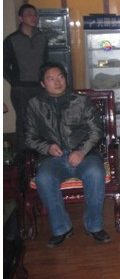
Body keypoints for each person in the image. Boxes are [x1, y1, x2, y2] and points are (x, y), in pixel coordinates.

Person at [24, 62, 109, 248]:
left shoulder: (81, 101)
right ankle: (61, 228)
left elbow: (96, 130)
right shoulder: (34, 105)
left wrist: (82, 151)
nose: (57, 82)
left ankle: (94, 225)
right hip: (52, 158)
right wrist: (47, 147)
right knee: (44, 178)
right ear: (43, 83)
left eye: (60, 77)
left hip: (85, 155)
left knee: (96, 173)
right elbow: (29, 137)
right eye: (51, 79)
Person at [4, 3, 48, 149]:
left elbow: (46, 61)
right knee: (23, 121)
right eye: (29, 15)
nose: (33, 17)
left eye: (35, 15)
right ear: (21, 18)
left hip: (40, 86)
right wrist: (14, 82)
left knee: (43, 119)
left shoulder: (42, 37)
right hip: (21, 88)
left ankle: (42, 152)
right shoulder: (12, 39)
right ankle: (23, 154)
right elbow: (3, 65)